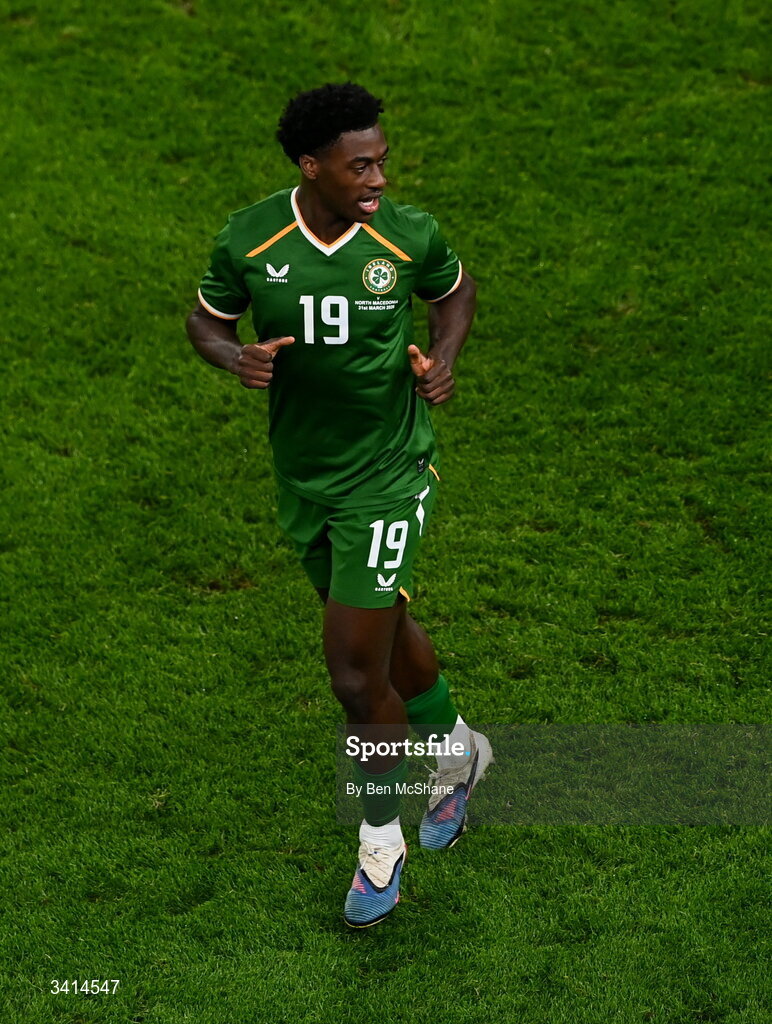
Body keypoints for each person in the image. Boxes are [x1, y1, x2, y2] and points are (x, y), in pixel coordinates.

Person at [186, 83, 492, 927]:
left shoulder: (407, 234)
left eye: (382, 162)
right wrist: (233, 357)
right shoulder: (253, 237)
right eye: (361, 166)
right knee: (380, 637)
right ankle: (459, 752)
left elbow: (454, 291)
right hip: (305, 478)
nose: (379, 180)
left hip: (389, 475)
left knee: (355, 675)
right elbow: (206, 320)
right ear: (310, 166)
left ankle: (378, 848)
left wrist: (443, 354)